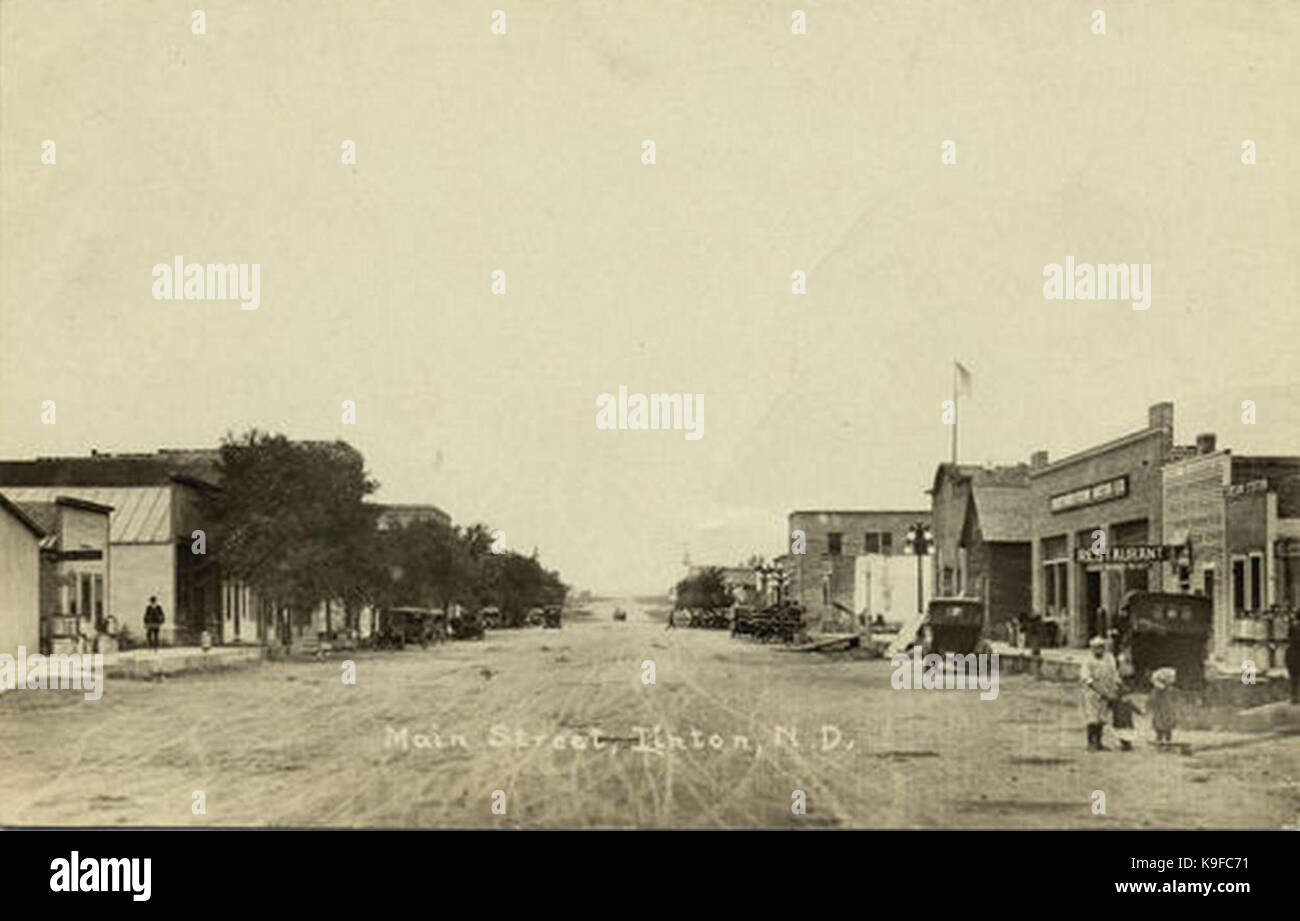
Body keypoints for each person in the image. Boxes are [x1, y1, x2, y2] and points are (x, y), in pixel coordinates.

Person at [1080, 635, 1119, 751]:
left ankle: (1099, 742)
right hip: (1092, 694)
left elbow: (1114, 674)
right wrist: (1100, 691)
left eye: (1101, 647)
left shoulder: (1109, 659)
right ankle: (1090, 743)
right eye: (1096, 647)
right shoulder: (1088, 661)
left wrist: (1115, 688)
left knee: (1102, 719)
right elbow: (1087, 679)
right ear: (1092, 648)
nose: (1099, 650)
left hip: (1107, 692)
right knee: (1092, 719)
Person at [1149, 667, 1178, 746]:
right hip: (1164, 709)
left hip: (1164, 709)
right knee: (1164, 724)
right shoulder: (1162, 690)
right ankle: (1164, 739)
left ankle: (1163, 739)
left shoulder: (1162, 690)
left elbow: (1152, 699)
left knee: (1163, 725)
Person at [1285, 620, 1300, 705]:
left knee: (1294, 678)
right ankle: (1295, 696)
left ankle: (1294, 696)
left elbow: (1289, 637)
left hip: (1291, 654)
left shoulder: (1292, 626)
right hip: (1296, 654)